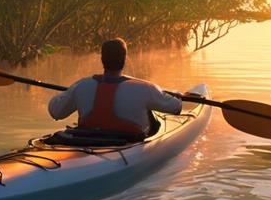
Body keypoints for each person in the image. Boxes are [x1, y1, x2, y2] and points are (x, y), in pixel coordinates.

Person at [48, 38, 184, 137]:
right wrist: (175, 96)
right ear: (124, 59)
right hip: (128, 141)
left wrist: (71, 91)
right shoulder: (145, 88)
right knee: (151, 115)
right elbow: (175, 107)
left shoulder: (81, 85)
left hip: (89, 139)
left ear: (102, 59)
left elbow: (55, 112)